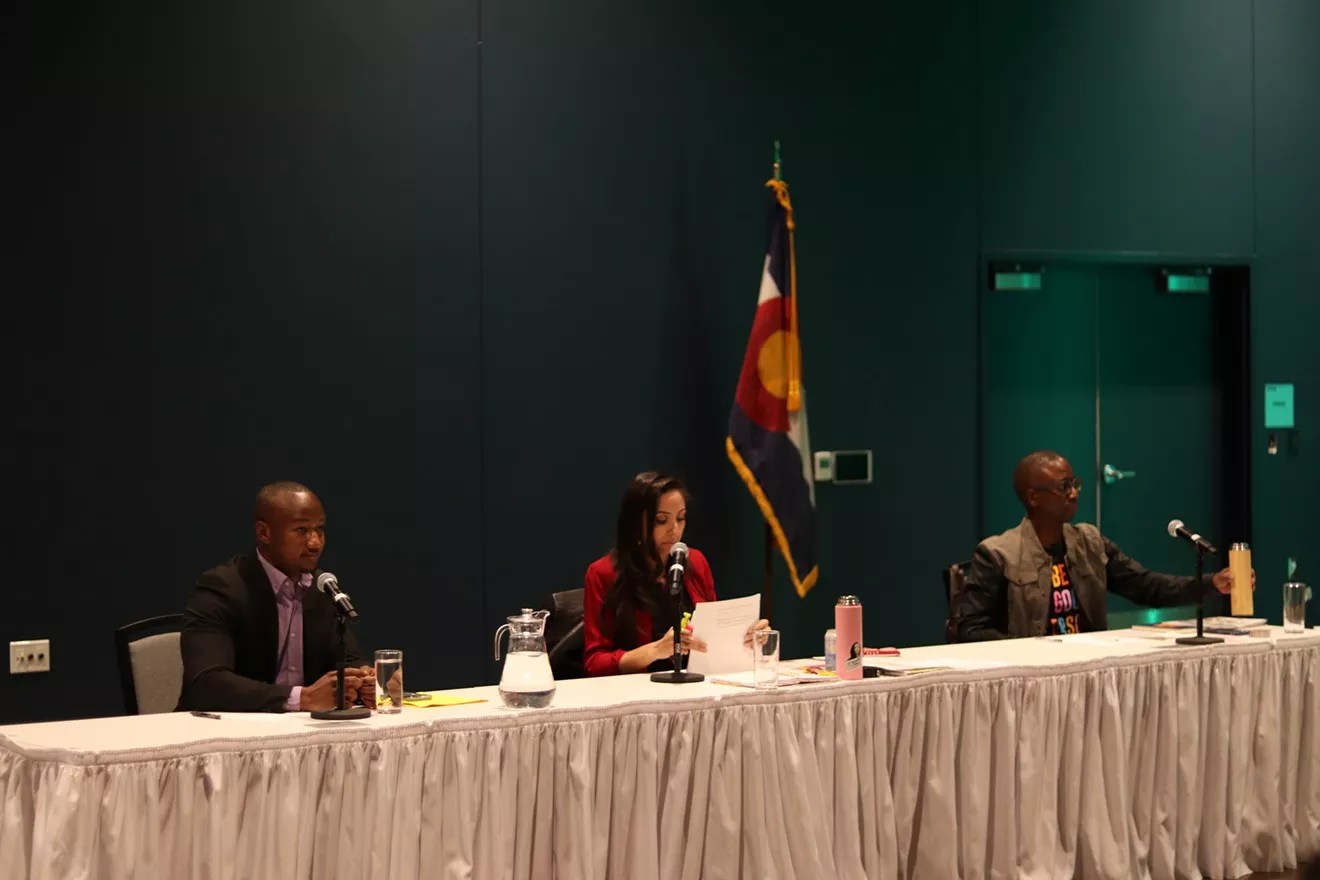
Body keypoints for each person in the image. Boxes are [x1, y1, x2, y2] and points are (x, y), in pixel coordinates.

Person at [954, 451, 1252, 641]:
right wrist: (1029, 650)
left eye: (1075, 484)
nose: (1073, 494)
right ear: (1033, 497)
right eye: (1062, 487)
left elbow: (1145, 585)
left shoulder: (1089, 542)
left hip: (1089, 672)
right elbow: (969, 628)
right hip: (1030, 681)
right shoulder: (997, 554)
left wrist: (1212, 583)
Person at [178, 481, 376, 711]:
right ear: (264, 533)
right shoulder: (223, 588)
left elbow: (350, 661)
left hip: (299, 733)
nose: (315, 543)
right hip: (223, 731)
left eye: (319, 529)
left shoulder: (322, 588)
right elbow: (206, 683)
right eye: (301, 530)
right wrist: (300, 698)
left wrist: (366, 681)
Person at [583, 471, 768, 676]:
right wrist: (656, 650)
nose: (674, 529)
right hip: (638, 695)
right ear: (635, 523)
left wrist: (746, 638)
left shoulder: (695, 562)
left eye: (681, 518)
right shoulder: (603, 573)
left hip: (695, 687)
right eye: (661, 520)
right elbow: (594, 662)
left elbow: (712, 640)